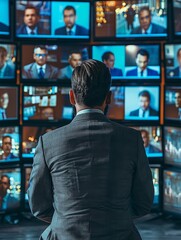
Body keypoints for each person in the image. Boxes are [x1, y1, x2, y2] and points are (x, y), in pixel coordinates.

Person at [28, 59, 154, 240]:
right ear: (108, 97)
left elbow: (38, 206)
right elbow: (144, 202)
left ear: (71, 97)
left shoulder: (48, 142)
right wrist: (116, 217)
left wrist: (67, 220)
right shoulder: (132, 140)